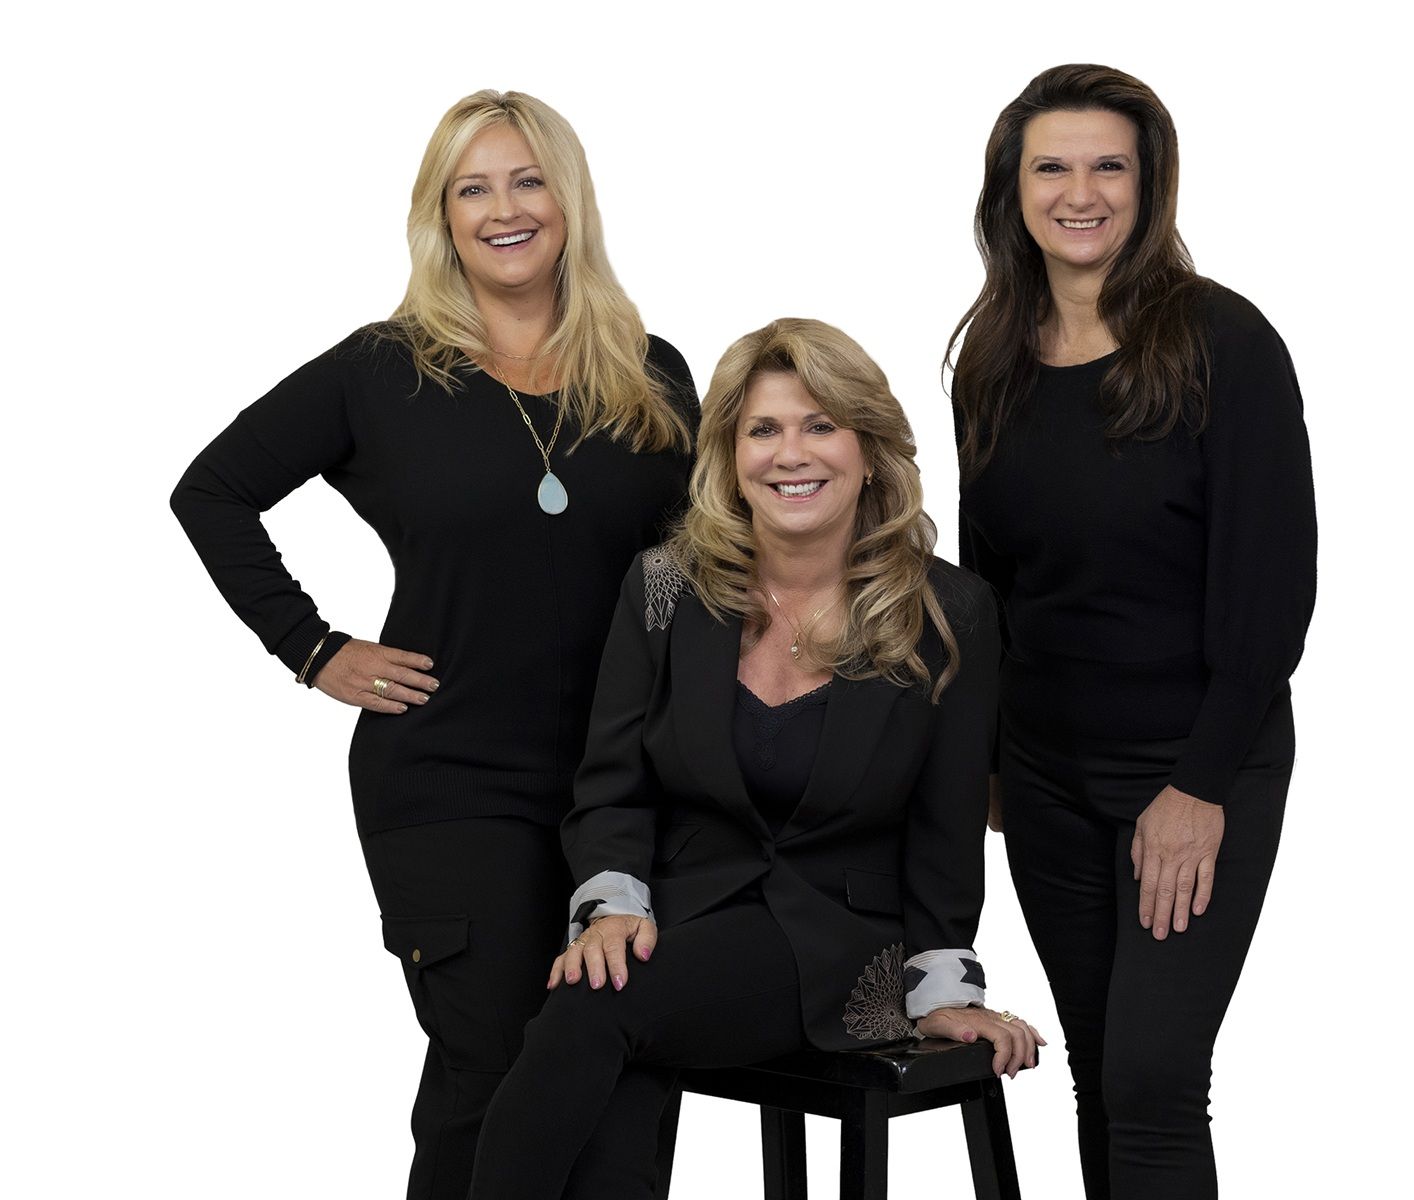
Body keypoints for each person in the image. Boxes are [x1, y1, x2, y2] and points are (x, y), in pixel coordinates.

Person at [169, 90, 699, 1200]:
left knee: (629, 1078)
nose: (504, 209)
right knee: (496, 1075)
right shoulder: (384, 370)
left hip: (629, 788)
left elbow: (702, 569)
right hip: (453, 782)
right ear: (441, 217)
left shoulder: (650, 373)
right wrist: (311, 648)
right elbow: (211, 491)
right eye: (473, 188)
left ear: (569, 199)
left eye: (526, 180)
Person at [466, 318, 1042, 1199]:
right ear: (729, 455)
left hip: (844, 942)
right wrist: (612, 904)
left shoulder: (949, 610)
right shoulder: (665, 585)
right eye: (763, 429)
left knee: (595, 1012)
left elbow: (947, 825)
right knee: (614, 1067)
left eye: (821, 425)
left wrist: (943, 985)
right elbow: (612, 778)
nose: (791, 454)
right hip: (681, 915)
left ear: (868, 447)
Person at [949, 65, 1317, 1199]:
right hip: (1050, 778)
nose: (1080, 192)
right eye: (1050, 165)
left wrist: (1198, 784)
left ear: (1148, 185)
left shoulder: (1223, 342)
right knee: (1104, 1074)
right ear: (1011, 189)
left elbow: (1272, 591)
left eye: (1108, 164)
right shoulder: (993, 361)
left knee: (1155, 1080)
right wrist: (993, 760)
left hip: (1196, 764)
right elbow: (989, 585)